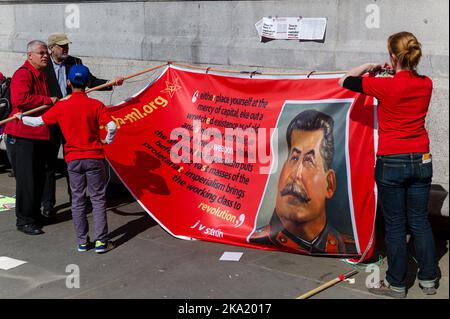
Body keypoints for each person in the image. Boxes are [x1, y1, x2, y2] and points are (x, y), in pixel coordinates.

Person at [338, 31, 439, 298]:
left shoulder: (383, 85)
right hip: (421, 158)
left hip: (391, 160)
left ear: (392, 56)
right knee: (420, 221)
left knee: (395, 225)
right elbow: (407, 83)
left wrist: (370, 68)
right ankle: (429, 280)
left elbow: (344, 80)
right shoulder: (427, 83)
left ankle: (397, 284)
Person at [16, 64, 117, 253]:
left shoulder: (62, 106)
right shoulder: (96, 105)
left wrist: (20, 117)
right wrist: (107, 141)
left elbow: (38, 122)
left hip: (73, 159)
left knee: (77, 201)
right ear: (88, 83)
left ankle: (82, 242)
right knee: (97, 199)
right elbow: (112, 126)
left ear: (69, 83)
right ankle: (101, 242)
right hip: (94, 157)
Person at [250, 109, 356, 255]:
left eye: (309, 161)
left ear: (329, 184)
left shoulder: (350, 248)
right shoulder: (254, 238)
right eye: (293, 158)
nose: (295, 174)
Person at [41, 32, 124, 218]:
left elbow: (91, 81)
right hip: (54, 117)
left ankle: (76, 200)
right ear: (51, 48)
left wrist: (111, 83)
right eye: (61, 46)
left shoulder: (76, 62)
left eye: (66, 45)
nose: (65, 48)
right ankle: (48, 204)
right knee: (49, 163)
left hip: (72, 119)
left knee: (73, 159)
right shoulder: (43, 67)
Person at [3, 40, 59, 235]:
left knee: (38, 177)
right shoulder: (23, 74)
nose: (45, 56)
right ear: (30, 56)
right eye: (41, 53)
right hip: (23, 135)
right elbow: (20, 100)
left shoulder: (40, 74)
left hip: (38, 133)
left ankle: (34, 215)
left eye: (46, 53)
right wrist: (47, 100)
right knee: (27, 180)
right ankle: (24, 220)